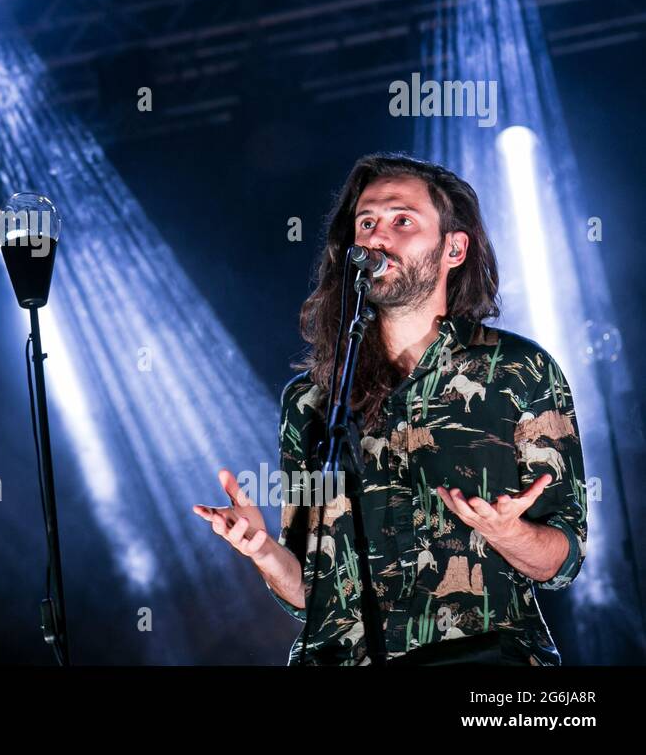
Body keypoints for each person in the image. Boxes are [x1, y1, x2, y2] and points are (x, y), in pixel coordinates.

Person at [193, 153, 587, 665]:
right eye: (367, 223)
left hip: (482, 660)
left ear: (454, 247)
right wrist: (265, 552)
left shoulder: (518, 369)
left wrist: (510, 532)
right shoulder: (312, 401)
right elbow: (314, 597)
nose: (379, 238)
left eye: (403, 221)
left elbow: (563, 560)